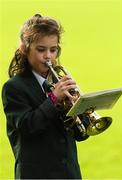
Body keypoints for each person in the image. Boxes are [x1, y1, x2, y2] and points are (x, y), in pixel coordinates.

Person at [2, 14, 90, 179]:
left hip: (69, 174)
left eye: (53, 49)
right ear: (24, 49)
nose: (48, 56)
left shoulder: (59, 82)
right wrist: (54, 100)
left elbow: (81, 134)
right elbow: (27, 126)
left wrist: (80, 108)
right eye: (41, 50)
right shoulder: (13, 88)